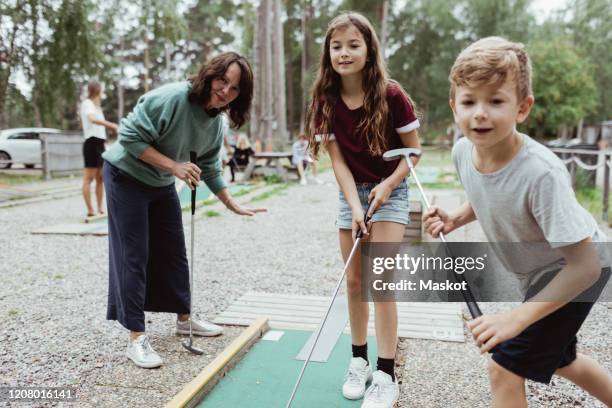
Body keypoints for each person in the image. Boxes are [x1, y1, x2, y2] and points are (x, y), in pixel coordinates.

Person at [423, 37, 612, 407]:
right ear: (453, 107)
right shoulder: (464, 151)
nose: (480, 113)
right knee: (562, 360)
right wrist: (456, 218)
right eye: (469, 101)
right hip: (543, 271)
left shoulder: (541, 174)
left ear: (522, 108)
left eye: (495, 101)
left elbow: (585, 266)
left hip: (577, 268)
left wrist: (516, 318)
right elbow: (491, 195)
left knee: (504, 366)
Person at [102, 52, 266, 369]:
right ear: (211, 74)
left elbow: (209, 166)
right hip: (125, 175)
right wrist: (174, 166)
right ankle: (136, 338)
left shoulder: (216, 123)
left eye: (234, 90)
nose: (225, 92)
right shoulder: (172, 98)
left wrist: (232, 204)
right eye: (223, 81)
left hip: (160, 179)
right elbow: (129, 137)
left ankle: (184, 319)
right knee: (134, 253)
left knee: (175, 251)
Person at [305, 13, 421, 408]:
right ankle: (359, 361)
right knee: (355, 282)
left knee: (381, 281)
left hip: (393, 190)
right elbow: (337, 161)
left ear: (369, 49)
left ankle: (386, 374)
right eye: (336, 46)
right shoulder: (325, 99)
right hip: (352, 192)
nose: (344, 53)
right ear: (328, 52)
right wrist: (355, 206)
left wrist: (388, 185)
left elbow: (414, 152)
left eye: (353, 44)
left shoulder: (391, 95)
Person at [80, 80, 118, 217]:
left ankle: (100, 208)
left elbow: (98, 126)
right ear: (96, 90)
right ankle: (90, 210)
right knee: (88, 178)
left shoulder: (97, 107)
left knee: (100, 178)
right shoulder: (87, 103)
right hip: (91, 143)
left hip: (100, 143)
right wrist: (111, 125)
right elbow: (91, 119)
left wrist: (107, 134)